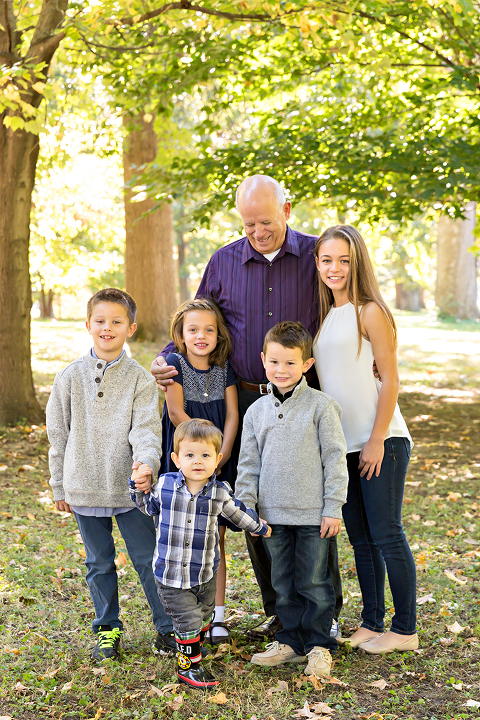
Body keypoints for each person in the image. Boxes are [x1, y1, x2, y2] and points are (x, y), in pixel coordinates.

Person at [151, 175, 343, 640]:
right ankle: (280, 610)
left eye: (266, 222)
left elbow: (348, 305)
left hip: (303, 392)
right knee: (254, 498)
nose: (257, 232)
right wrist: (165, 357)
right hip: (243, 397)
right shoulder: (224, 261)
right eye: (249, 223)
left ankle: (325, 612)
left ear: (288, 210)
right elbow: (194, 319)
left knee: (311, 497)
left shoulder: (317, 255)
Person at [46, 288, 175, 661]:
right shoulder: (68, 377)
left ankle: (167, 629)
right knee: (98, 563)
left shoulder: (139, 380)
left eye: (116, 321)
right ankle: (107, 629)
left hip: (130, 488)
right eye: (100, 321)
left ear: (130, 328)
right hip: (83, 486)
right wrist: (58, 484)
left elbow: (147, 430)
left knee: (148, 558)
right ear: (88, 325)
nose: (108, 327)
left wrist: (147, 464)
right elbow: (58, 435)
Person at [313, 225, 418, 654]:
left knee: (387, 533)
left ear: (357, 262)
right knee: (360, 537)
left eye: (344, 260)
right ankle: (372, 622)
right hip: (345, 445)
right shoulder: (326, 317)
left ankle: (405, 629)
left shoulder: (369, 310)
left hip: (382, 440)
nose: (334, 268)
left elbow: (390, 380)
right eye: (326, 260)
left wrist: (376, 438)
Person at [234, 322, 348, 678]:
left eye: (290, 363)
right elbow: (248, 464)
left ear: (307, 365)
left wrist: (333, 508)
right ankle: (289, 641)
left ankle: (318, 646)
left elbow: (334, 458)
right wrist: (246, 507)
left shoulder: (321, 407)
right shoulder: (256, 412)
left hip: (314, 515)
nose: (281, 371)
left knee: (314, 582)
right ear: (263, 360)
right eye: (274, 362)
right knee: (282, 581)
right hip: (270, 516)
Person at [129, 419, 271, 688]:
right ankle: (188, 667)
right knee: (188, 621)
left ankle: (194, 645)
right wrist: (138, 487)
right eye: (190, 455)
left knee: (204, 613)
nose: (197, 461)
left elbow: (237, 513)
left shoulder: (219, 492)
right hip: (170, 575)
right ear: (176, 459)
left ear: (217, 459)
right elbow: (147, 506)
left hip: (204, 572)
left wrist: (259, 527)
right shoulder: (165, 486)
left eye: (205, 455)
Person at [160, 298, 239, 644]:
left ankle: (216, 616)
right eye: (193, 329)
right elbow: (176, 413)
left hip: (218, 459)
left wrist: (220, 456)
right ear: (181, 334)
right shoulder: (174, 364)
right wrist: (200, 454)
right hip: (187, 458)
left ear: (218, 334)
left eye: (208, 329)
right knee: (181, 536)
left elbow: (233, 415)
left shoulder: (225, 368)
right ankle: (182, 618)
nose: (201, 335)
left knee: (214, 538)